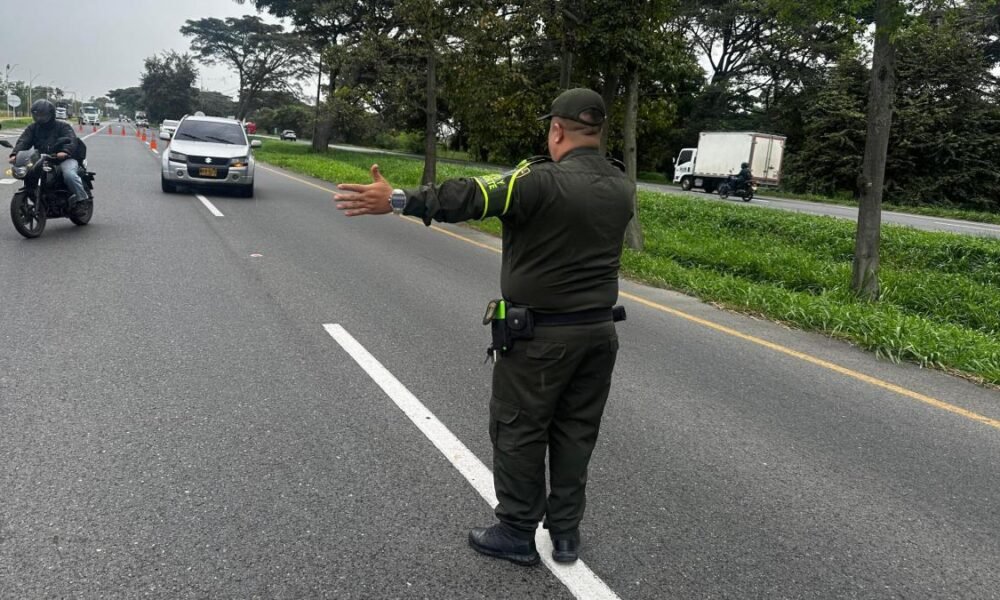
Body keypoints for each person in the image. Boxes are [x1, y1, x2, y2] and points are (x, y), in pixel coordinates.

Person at [334, 88, 634, 566]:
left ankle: (516, 532)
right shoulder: (622, 185)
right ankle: (566, 534)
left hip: (541, 339)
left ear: (556, 129)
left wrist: (396, 199)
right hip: (599, 335)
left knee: (519, 428)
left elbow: (472, 196)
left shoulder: (539, 181)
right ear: (597, 132)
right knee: (576, 432)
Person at [8, 99, 89, 206]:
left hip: (64, 158)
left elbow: (71, 139)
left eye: (43, 115)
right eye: (37, 115)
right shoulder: (33, 128)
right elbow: (24, 141)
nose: (39, 118)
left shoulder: (63, 126)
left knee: (69, 174)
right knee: (29, 173)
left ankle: (82, 198)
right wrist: (15, 154)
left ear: (51, 114)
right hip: (42, 158)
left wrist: (65, 151)